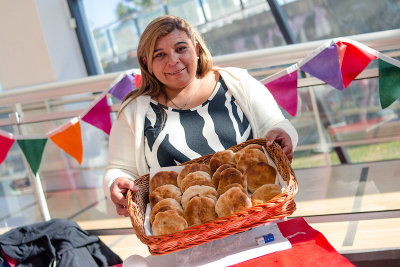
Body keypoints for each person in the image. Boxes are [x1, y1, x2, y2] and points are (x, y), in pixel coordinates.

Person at [103, 15, 298, 216]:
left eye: (180, 49)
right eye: (159, 55)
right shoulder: (133, 111)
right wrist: (115, 183)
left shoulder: (238, 82)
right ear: (146, 63)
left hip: (258, 218)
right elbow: (118, 169)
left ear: (196, 49)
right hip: (183, 237)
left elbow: (277, 125)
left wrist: (284, 133)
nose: (173, 60)